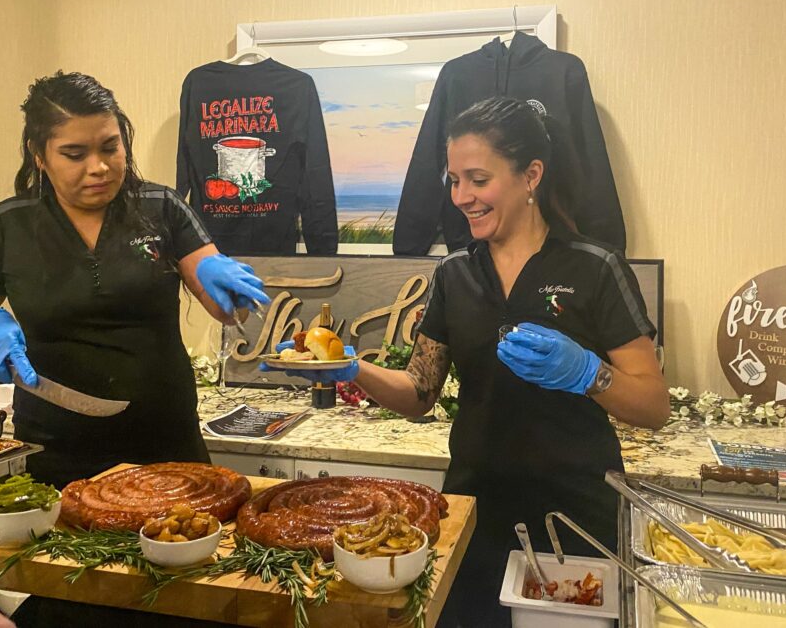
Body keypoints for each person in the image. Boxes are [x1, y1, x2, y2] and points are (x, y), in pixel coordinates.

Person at [276, 97, 669, 627]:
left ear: (531, 176)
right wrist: (351, 369)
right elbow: (420, 391)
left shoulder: (594, 267)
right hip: (474, 511)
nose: (462, 197)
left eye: (478, 180)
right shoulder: (455, 273)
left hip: (573, 516)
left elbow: (653, 405)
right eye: (455, 180)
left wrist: (587, 372)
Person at [0, 71, 269, 488]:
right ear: (39, 154)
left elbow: (226, 310)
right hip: (56, 452)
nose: (99, 168)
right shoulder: (10, 224)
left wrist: (227, 286)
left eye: (110, 147)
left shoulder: (161, 207)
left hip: (167, 442)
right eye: (74, 154)